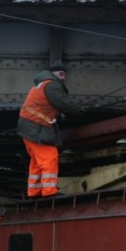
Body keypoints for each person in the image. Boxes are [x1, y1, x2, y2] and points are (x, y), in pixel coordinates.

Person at [17, 61, 80, 198]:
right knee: (49, 157)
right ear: (54, 73)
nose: (63, 77)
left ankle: (34, 192)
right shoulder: (52, 84)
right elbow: (63, 102)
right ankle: (49, 192)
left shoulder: (41, 84)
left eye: (65, 75)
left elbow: (48, 105)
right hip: (35, 127)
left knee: (37, 161)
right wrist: (77, 110)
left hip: (28, 127)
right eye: (61, 74)